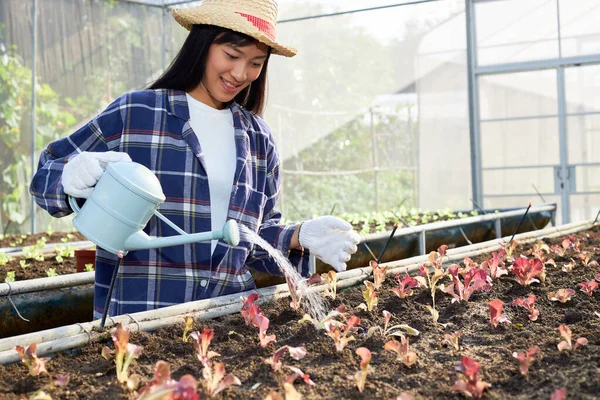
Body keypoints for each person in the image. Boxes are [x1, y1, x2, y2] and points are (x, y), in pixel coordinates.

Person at [30, 0, 361, 320]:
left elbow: (253, 243)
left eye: (256, 63)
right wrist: (68, 175)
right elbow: (46, 173)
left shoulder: (258, 139)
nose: (240, 73)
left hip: (229, 324)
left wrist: (298, 235)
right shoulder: (137, 113)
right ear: (203, 44)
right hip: (144, 318)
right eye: (231, 55)